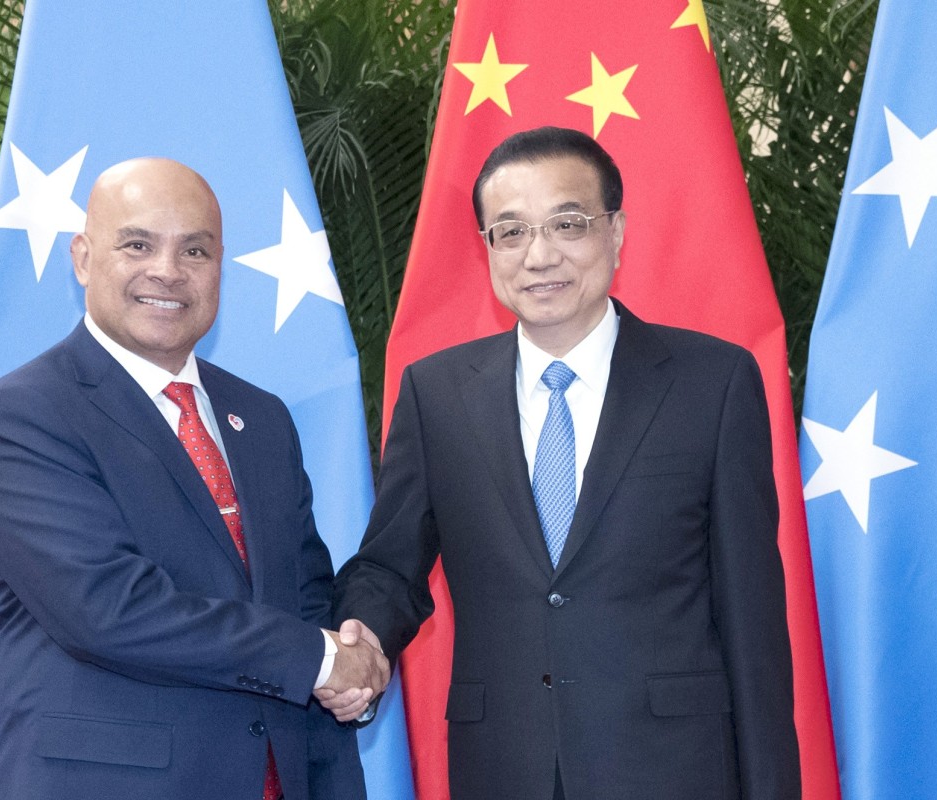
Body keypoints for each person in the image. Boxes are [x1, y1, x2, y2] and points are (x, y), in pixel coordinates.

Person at [331, 127, 801, 799]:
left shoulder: (712, 382)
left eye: (567, 224)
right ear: (488, 249)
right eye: (511, 232)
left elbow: (752, 618)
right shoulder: (435, 394)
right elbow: (389, 564)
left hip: (675, 768)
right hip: (503, 769)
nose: (539, 255)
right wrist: (362, 639)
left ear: (615, 232)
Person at [0, 157, 387, 800]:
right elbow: (109, 610)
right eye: (137, 244)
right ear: (82, 258)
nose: (167, 270)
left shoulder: (263, 417)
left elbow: (302, 598)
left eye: (196, 250)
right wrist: (321, 660)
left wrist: (351, 679)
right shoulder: (26, 413)